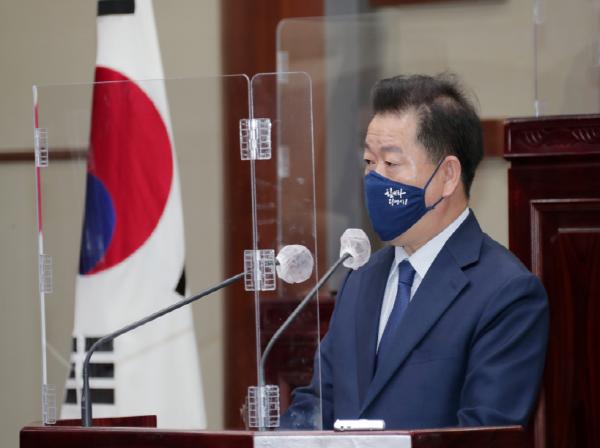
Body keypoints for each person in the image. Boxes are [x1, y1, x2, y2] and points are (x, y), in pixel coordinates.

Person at [282, 74, 549, 430]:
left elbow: (485, 432)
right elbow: (319, 402)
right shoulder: (360, 278)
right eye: (369, 162)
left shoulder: (507, 293)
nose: (374, 178)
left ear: (447, 176)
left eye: (391, 164)